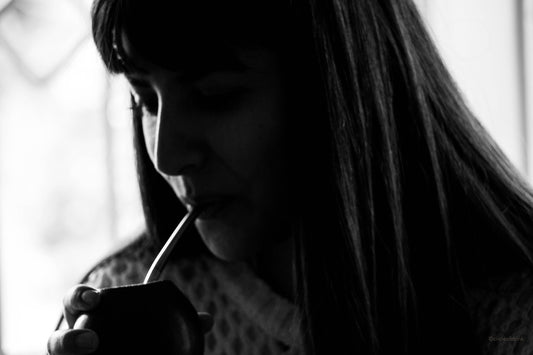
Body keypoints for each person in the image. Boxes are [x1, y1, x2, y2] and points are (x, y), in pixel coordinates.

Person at [47, 0, 533, 354]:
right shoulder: (127, 293)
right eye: (145, 100)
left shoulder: (511, 321)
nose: (166, 156)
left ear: (340, 87)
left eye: (216, 96)